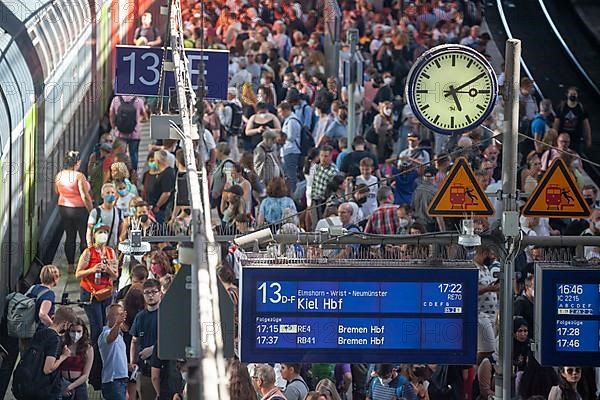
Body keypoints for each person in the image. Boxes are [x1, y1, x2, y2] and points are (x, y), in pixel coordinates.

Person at [13, 307, 76, 400]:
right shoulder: (55, 340)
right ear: (66, 323)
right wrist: (63, 356)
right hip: (45, 389)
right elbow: (48, 369)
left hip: (29, 383)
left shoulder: (40, 332)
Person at [76, 224, 119, 344]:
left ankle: (102, 352)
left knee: (105, 325)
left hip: (106, 294)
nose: (103, 235)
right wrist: (93, 269)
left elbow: (115, 275)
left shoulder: (110, 252)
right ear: (94, 235)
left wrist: (108, 269)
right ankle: (94, 354)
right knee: (97, 327)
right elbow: (78, 274)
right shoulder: (88, 252)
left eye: (105, 232)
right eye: (100, 232)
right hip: (90, 293)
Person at [55, 151, 93, 273]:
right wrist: (91, 210)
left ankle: (70, 265)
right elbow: (85, 196)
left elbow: (57, 191)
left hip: (64, 208)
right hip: (80, 209)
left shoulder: (59, 175)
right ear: (77, 162)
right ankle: (83, 264)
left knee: (70, 236)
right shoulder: (79, 176)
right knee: (84, 237)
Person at [130, 279, 162, 400]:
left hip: (163, 372)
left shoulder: (165, 315)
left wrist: (153, 349)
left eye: (154, 292)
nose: (150, 295)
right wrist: (132, 362)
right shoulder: (140, 317)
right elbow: (134, 340)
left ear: (160, 293)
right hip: (144, 372)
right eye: (147, 292)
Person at [98, 303, 129, 400]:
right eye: (117, 314)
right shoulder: (105, 333)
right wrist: (118, 324)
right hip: (113, 381)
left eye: (121, 314)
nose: (120, 317)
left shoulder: (120, 336)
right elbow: (110, 337)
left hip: (122, 380)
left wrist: (128, 366)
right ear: (108, 316)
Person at [109, 95, 147, 171]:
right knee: (134, 154)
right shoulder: (138, 101)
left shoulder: (116, 99)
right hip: (134, 134)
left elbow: (111, 114)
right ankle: (134, 173)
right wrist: (140, 120)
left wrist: (114, 127)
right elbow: (145, 116)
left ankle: (120, 171)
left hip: (120, 133)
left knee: (120, 155)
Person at [475, 246, 499, 361]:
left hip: (491, 314)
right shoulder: (474, 268)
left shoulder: (485, 268)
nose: (493, 257)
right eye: (491, 254)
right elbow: (472, 289)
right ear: (484, 253)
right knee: (488, 349)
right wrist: (490, 288)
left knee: (488, 349)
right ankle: (472, 369)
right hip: (480, 314)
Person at [61, 318, 94, 400]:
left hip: (79, 385)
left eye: (79, 331)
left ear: (83, 332)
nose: (76, 334)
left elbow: (86, 374)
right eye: (73, 331)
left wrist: (70, 387)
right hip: (63, 383)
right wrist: (64, 386)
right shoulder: (62, 345)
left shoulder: (88, 348)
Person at [87, 183, 126, 250]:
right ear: (102, 195)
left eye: (112, 192)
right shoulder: (96, 212)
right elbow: (89, 232)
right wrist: (90, 248)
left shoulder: (119, 212)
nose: (110, 195)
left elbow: (121, 232)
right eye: (107, 193)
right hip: (98, 250)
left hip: (113, 250)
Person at [553, 87, 592, 154]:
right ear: (567, 95)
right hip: (563, 139)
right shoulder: (561, 107)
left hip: (576, 140)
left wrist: (588, 139)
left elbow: (586, 126)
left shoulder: (581, 109)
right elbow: (556, 124)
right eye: (571, 94)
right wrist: (554, 138)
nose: (572, 95)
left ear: (577, 95)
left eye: (574, 94)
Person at [278, 101, 303, 193]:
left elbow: (291, 137)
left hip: (291, 150)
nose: (280, 114)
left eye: (281, 112)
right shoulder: (287, 120)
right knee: (287, 173)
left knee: (291, 174)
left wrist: (282, 136)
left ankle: (293, 192)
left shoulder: (292, 121)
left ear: (286, 110)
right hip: (287, 150)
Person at [148, 149, 176, 223]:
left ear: (158, 160)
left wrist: (157, 206)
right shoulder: (161, 172)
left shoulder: (167, 173)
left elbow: (166, 193)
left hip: (162, 208)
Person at [514, 274, 535, 339]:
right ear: (527, 287)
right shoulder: (520, 302)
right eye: (534, 287)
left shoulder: (537, 304)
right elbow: (518, 325)